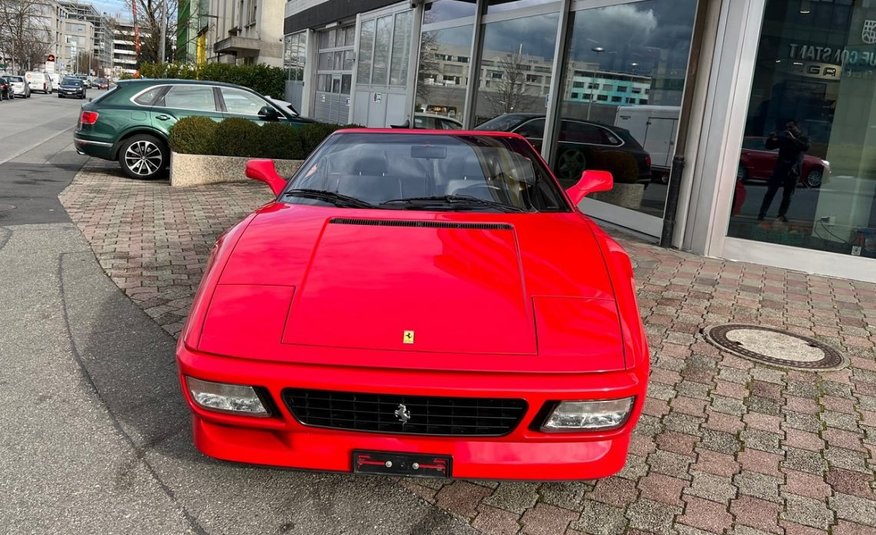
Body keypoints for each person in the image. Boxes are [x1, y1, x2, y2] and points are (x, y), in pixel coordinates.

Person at [757, 120, 810, 222]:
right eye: (787, 127)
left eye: (791, 127)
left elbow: (805, 147)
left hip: (793, 170)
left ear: (797, 128)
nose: (788, 130)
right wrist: (771, 139)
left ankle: (781, 215)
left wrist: (792, 138)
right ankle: (762, 214)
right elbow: (770, 146)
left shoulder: (803, 138)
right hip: (780, 168)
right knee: (770, 192)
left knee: (788, 195)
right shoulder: (785, 138)